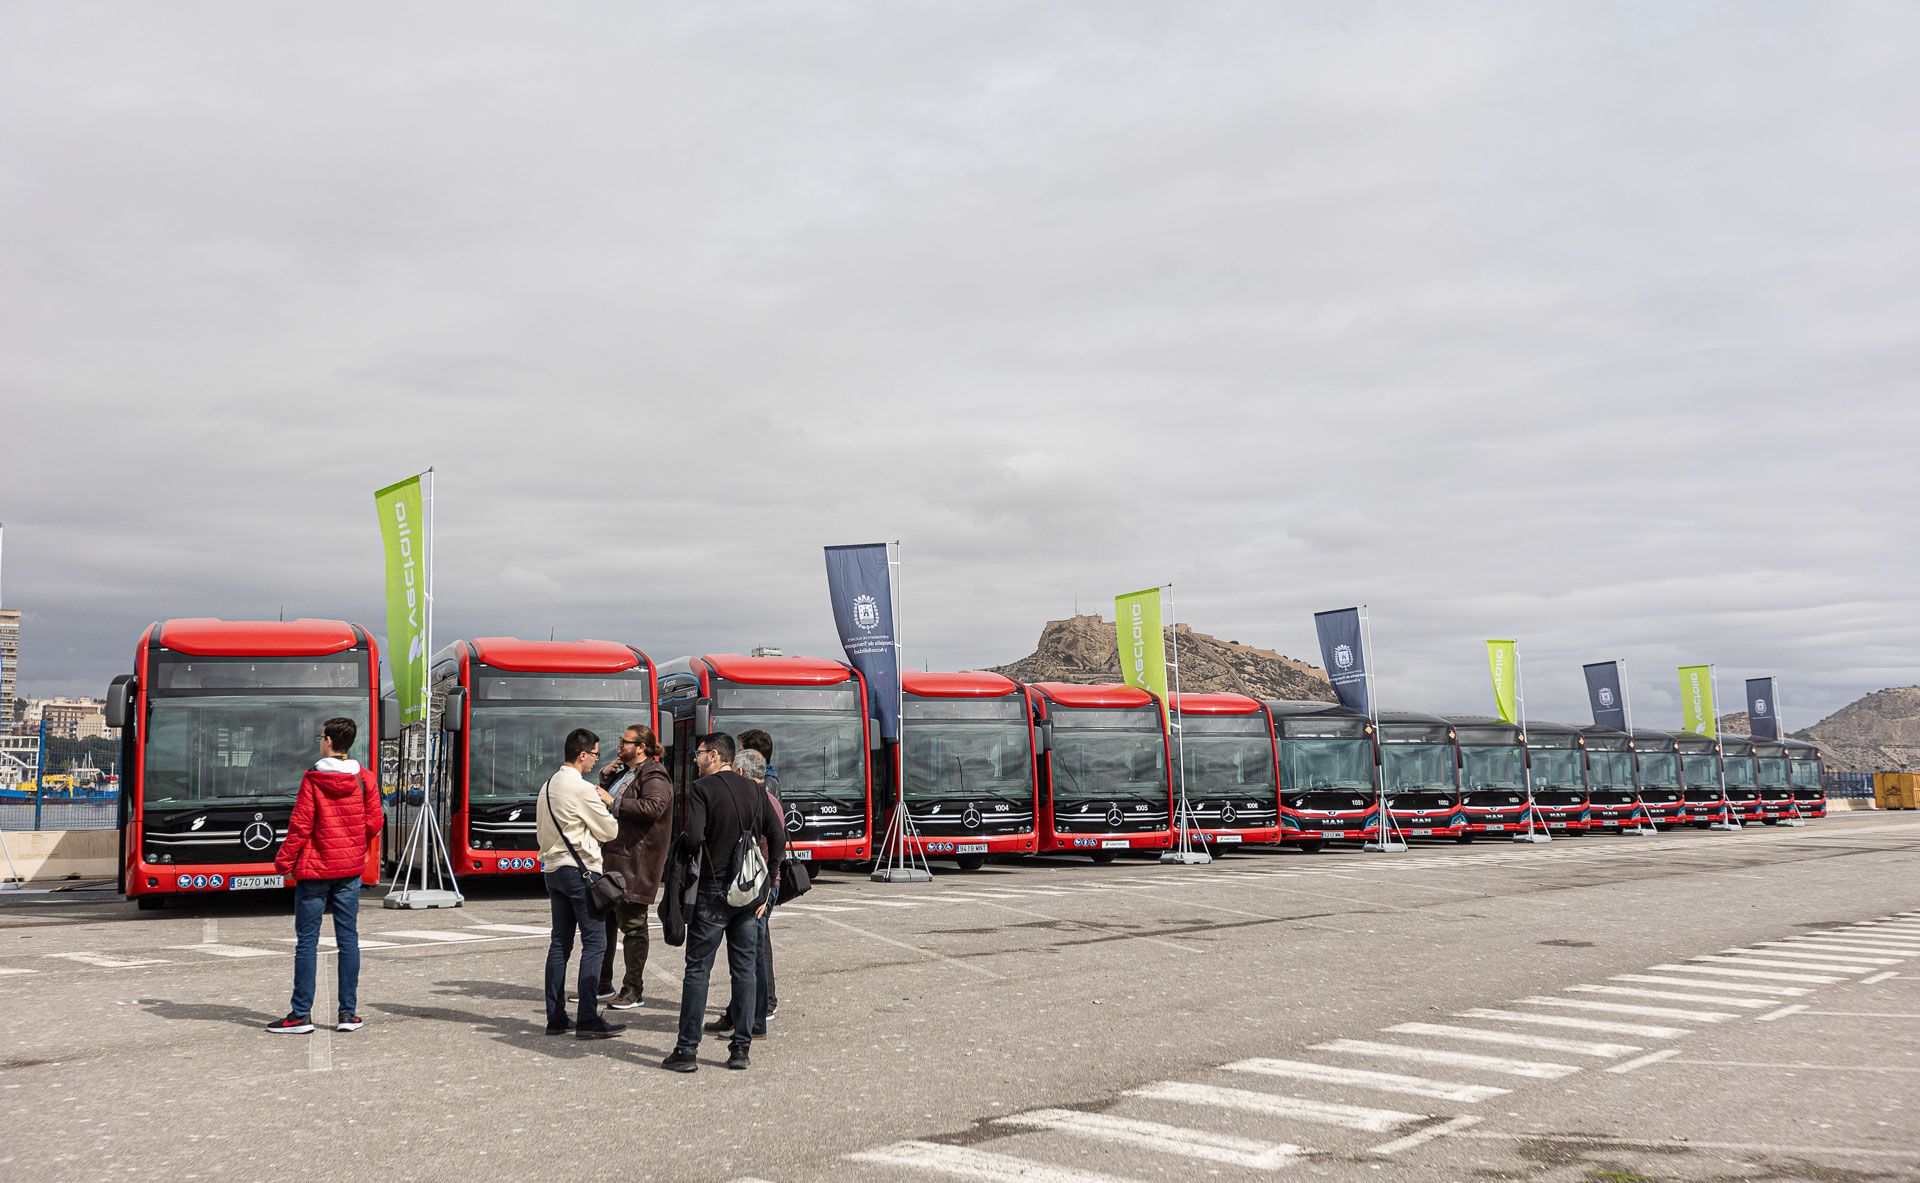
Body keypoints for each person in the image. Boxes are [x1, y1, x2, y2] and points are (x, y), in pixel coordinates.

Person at [662, 733, 784, 1073]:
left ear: (715, 756)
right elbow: (777, 837)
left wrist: (684, 846)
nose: (696, 760)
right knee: (744, 971)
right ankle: (740, 1050)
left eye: (699, 754)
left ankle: (687, 1051)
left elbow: (697, 836)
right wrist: (765, 886)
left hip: (712, 892)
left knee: (698, 971)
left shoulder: (702, 790)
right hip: (747, 894)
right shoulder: (757, 792)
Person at [267, 716, 384, 1035]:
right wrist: (350, 839)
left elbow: (301, 826)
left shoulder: (313, 779)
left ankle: (300, 1015)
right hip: (348, 870)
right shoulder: (365, 779)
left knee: (307, 941)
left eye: (322, 737)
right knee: (348, 939)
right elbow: (375, 822)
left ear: (329, 741)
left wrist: (283, 862)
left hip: (314, 870)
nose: (320, 742)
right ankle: (348, 1014)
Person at [537, 727, 624, 1039]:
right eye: (595, 755)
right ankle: (587, 1017)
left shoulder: (547, 786)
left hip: (553, 870)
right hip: (581, 870)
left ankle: (556, 1017)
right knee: (595, 942)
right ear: (583, 754)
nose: (596, 761)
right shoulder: (583, 789)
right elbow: (609, 831)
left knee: (560, 943)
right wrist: (608, 806)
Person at [707, 741, 781, 1039]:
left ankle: (755, 1021)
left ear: (740, 770)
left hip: (755, 885)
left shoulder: (759, 798)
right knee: (750, 954)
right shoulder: (765, 796)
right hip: (757, 883)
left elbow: (775, 842)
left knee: (752, 957)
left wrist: (766, 886)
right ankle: (738, 1014)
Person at [597, 724, 673, 1010]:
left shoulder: (654, 774)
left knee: (632, 927)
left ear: (641, 747)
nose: (620, 746)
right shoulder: (626, 772)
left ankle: (633, 989)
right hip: (614, 859)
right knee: (604, 925)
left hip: (634, 863)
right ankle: (602, 985)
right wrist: (606, 777)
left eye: (625, 742)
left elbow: (653, 807)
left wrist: (613, 800)